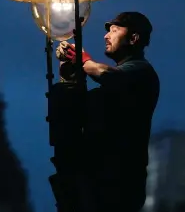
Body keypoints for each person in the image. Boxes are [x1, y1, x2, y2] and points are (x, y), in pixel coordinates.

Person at [56, 11, 160, 212]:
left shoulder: (140, 72)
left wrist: (83, 60)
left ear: (133, 38)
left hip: (118, 184)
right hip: (95, 182)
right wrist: (69, 69)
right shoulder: (118, 82)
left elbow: (106, 74)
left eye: (114, 30)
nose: (106, 35)